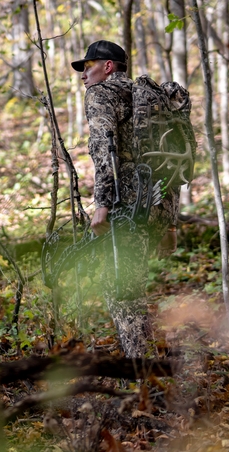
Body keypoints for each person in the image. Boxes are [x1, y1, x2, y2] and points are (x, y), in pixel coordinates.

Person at [71, 40, 178, 357]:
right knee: (131, 285)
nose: (83, 76)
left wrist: (102, 203)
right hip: (158, 204)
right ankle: (149, 369)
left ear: (107, 67)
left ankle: (144, 377)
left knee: (121, 290)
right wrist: (170, 225)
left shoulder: (101, 94)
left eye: (88, 67)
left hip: (127, 205)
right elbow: (172, 164)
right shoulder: (149, 97)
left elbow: (106, 148)